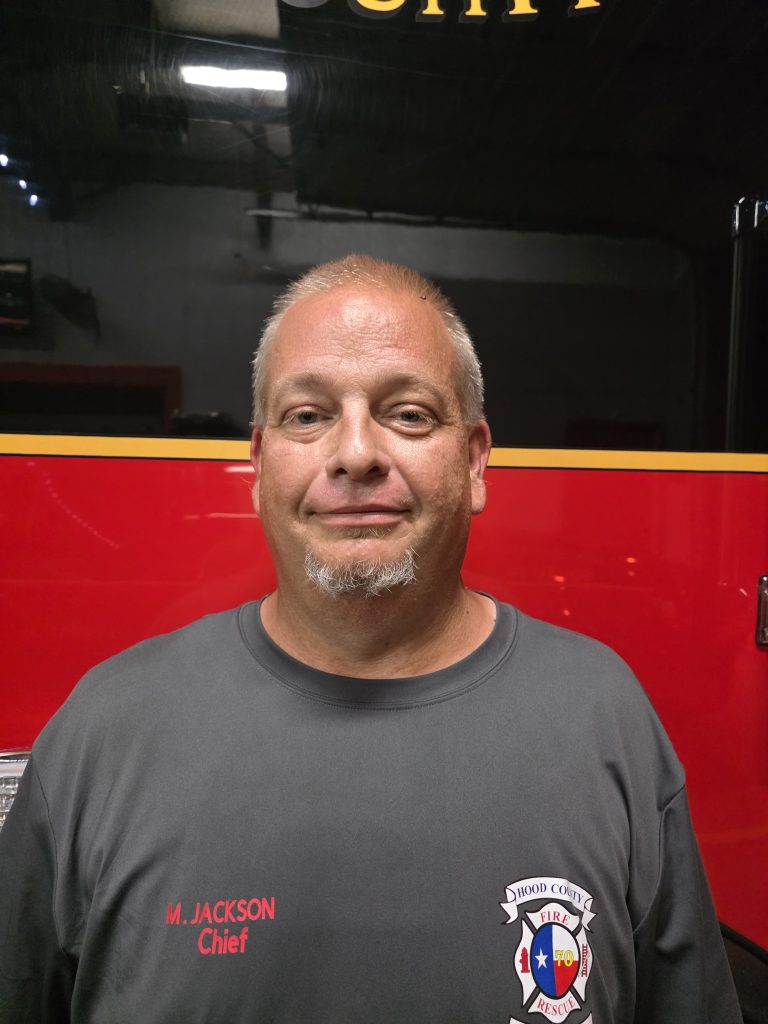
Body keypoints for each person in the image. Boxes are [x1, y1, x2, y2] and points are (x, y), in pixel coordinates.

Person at [0, 255, 740, 1024]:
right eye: (308, 416)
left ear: (476, 459)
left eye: (409, 413)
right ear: (258, 466)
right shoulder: (107, 732)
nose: (356, 454)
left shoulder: (603, 719)